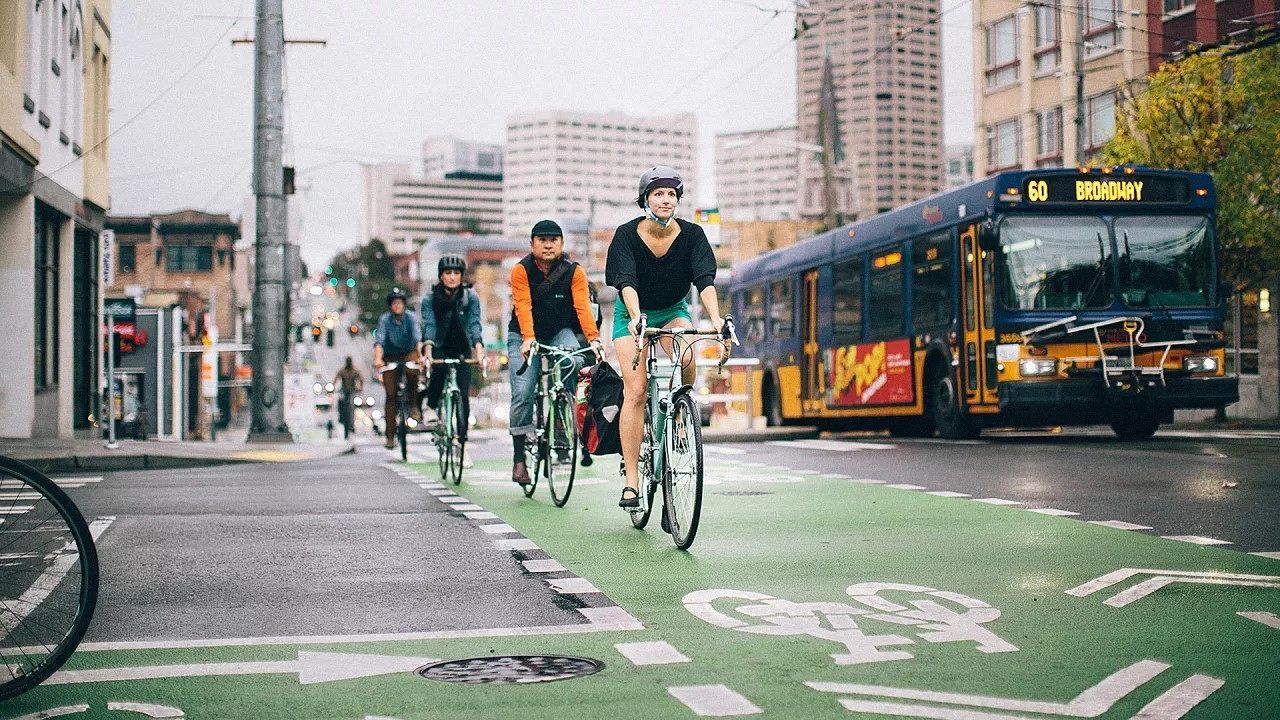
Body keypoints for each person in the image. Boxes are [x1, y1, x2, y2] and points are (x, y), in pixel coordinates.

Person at [606, 166, 722, 510]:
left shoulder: (693, 235)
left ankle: (682, 413)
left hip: (672, 310)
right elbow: (625, 279)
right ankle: (630, 480)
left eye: (672, 194)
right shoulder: (626, 235)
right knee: (637, 389)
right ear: (645, 199)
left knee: (687, 356)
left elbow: (705, 280)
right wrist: (636, 316)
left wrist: (716, 319)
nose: (665, 199)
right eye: (658, 193)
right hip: (632, 314)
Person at [507, 219, 602, 486]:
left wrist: (594, 340)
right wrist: (527, 339)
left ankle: (562, 419)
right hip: (523, 335)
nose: (548, 244)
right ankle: (518, 459)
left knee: (573, 358)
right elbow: (522, 306)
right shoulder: (521, 270)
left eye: (554, 240)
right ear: (532, 244)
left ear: (562, 244)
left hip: (560, 331)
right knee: (523, 390)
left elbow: (583, 307)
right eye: (542, 240)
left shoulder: (574, 271)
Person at [420, 255, 485, 447]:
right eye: (448, 273)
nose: (452, 277)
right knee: (438, 371)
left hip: (462, 347)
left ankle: (463, 444)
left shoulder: (470, 297)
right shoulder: (429, 298)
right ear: (441, 276)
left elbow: (474, 325)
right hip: (439, 345)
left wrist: (479, 351)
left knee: (463, 395)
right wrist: (429, 351)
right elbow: (429, 325)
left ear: (462, 276)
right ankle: (431, 406)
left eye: (456, 273)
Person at [373, 287, 423, 449]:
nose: (397, 306)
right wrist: (378, 359)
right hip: (390, 356)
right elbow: (379, 341)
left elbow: (417, 339)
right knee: (391, 395)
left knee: (413, 371)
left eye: (400, 303)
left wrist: (421, 356)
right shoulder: (385, 320)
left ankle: (413, 405)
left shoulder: (411, 318)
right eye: (394, 303)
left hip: (408, 353)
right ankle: (389, 436)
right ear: (390, 306)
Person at [333, 357, 364, 438]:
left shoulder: (354, 371)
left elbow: (361, 379)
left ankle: (351, 423)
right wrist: (333, 387)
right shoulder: (342, 371)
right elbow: (336, 379)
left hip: (352, 392)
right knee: (340, 403)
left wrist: (360, 388)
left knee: (352, 407)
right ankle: (341, 417)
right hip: (343, 392)